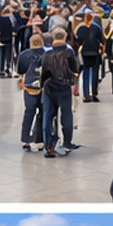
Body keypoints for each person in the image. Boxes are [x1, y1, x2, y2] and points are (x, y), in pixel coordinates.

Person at [39, 28, 80, 157]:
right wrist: (74, 82)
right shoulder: (68, 53)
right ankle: (67, 141)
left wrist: (42, 86)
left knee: (48, 115)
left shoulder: (46, 54)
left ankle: (48, 145)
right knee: (66, 114)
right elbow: (75, 68)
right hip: (64, 86)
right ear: (65, 38)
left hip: (48, 87)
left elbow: (43, 72)